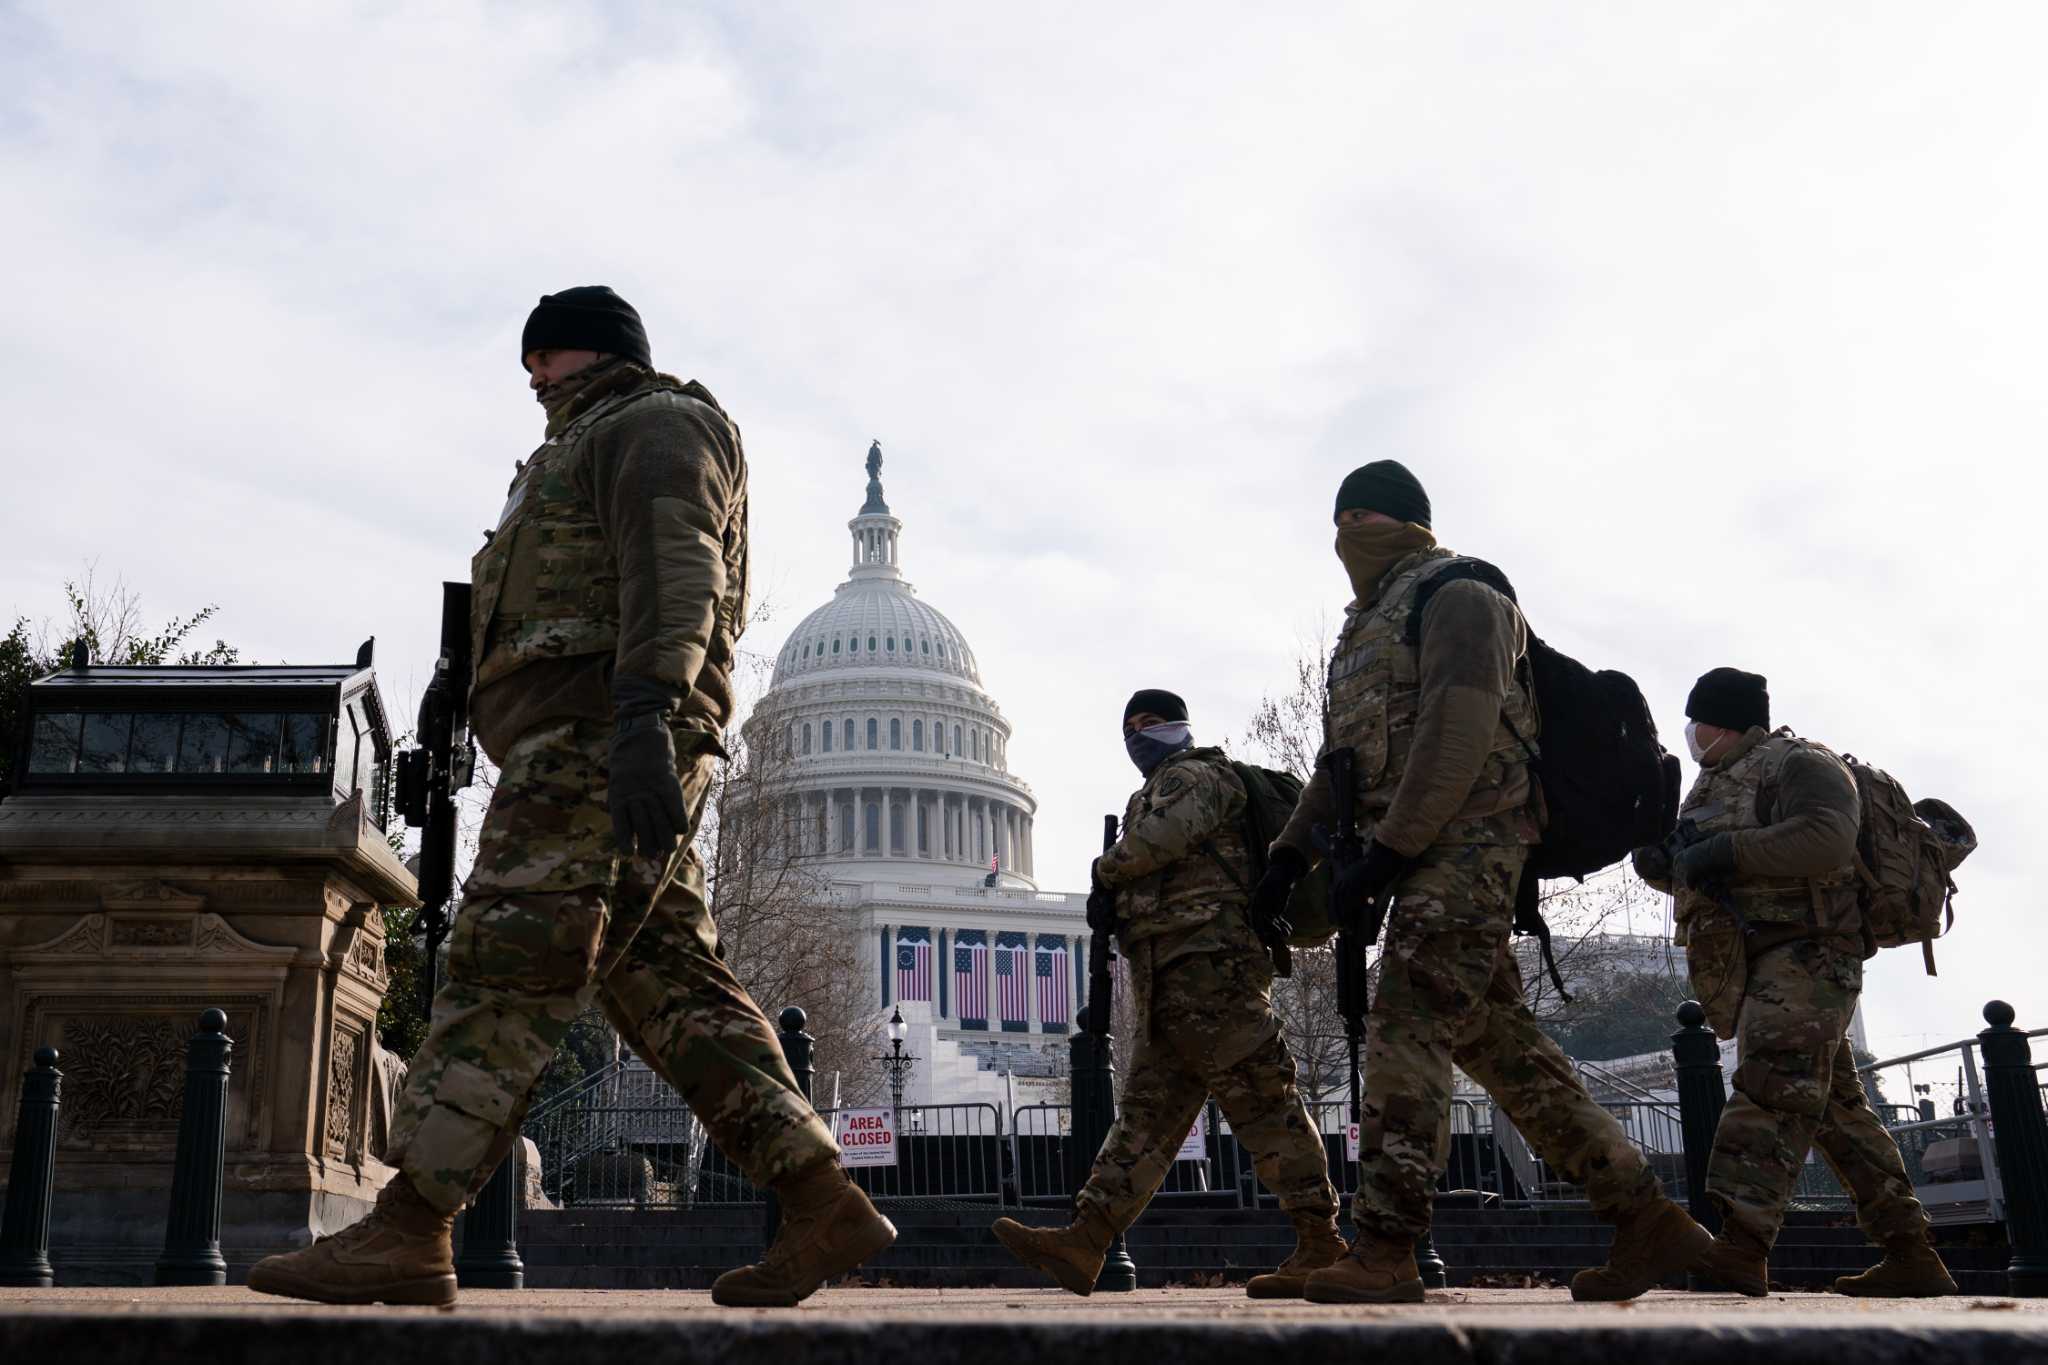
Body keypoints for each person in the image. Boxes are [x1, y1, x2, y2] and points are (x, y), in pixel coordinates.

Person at [249, 286, 893, 1307]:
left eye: (538, 363)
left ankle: (412, 1225)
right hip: (577, 734)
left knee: (508, 962)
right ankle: (822, 1202)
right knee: (668, 989)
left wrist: (644, 711)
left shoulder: (656, 424)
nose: (531, 383)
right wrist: (465, 682)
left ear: (580, 353)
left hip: (600, 738)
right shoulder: (576, 447)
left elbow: (673, 569)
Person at [1252, 460, 1714, 1304]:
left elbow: (1457, 735)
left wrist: (1388, 852)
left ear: (1402, 521)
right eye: (1339, 518)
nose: (1346, 533)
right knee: (1498, 1040)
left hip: (1472, 842)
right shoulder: (1364, 631)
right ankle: (1644, 1211)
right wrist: (1288, 857)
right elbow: (1339, 764)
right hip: (1415, 848)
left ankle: (1387, 1245)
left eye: (1361, 516)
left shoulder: (1461, 595)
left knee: (1410, 1018)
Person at [990, 690, 1343, 1297]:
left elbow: (1163, 840)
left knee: (1264, 1102)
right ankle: (1086, 1239)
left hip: (1214, 972)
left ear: (1180, 724)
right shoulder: (1153, 790)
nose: (1138, 735)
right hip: (1167, 979)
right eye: (1129, 727)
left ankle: (1322, 1242)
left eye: (1149, 723)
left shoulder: (1199, 776)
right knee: (1145, 1123)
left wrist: (1105, 874)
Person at [1634, 668, 1955, 1297]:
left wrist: (1724, 850)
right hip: (1756, 958)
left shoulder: (1802, 763)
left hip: (1809, 953)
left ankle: (1741, 1247)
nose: (1692, 734)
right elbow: (1706, 870)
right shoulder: (1713, 784)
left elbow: (1826, 839)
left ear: (1724, 722)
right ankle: (1910, 1253)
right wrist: (1665, 861)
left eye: (1698, 721)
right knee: (1839, 1115)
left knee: (1771, 1087)